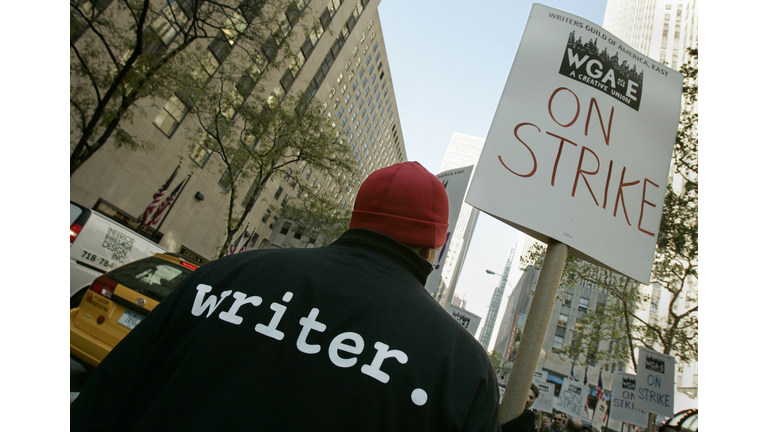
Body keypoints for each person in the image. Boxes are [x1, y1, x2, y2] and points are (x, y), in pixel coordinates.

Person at [70, 162, 501, 431]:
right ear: (434, 247)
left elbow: (104, 397)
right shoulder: (460, 369)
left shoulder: (223, 276)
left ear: (358, 217)